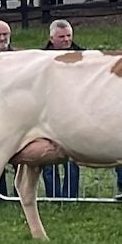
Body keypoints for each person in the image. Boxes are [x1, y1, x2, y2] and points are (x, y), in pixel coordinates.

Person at [39, 21, 82, 197]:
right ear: (51, 38)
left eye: (68, 36)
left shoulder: (83, 55)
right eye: (61, 37)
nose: (66, 40)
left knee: (72, 157)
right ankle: (53, 196)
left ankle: (71, 196)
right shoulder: (40, 59)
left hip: (74, 112)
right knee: (48, 157)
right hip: (48, 114)